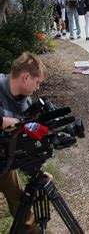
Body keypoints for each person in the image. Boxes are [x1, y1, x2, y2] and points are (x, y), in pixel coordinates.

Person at [0, 52, 46, 234]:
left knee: (20, 202)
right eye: (37, 83)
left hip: (3, 160)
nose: (37, 88)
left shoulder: (25, 103)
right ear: (25, 77)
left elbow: (25, 140)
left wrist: (39, 168)